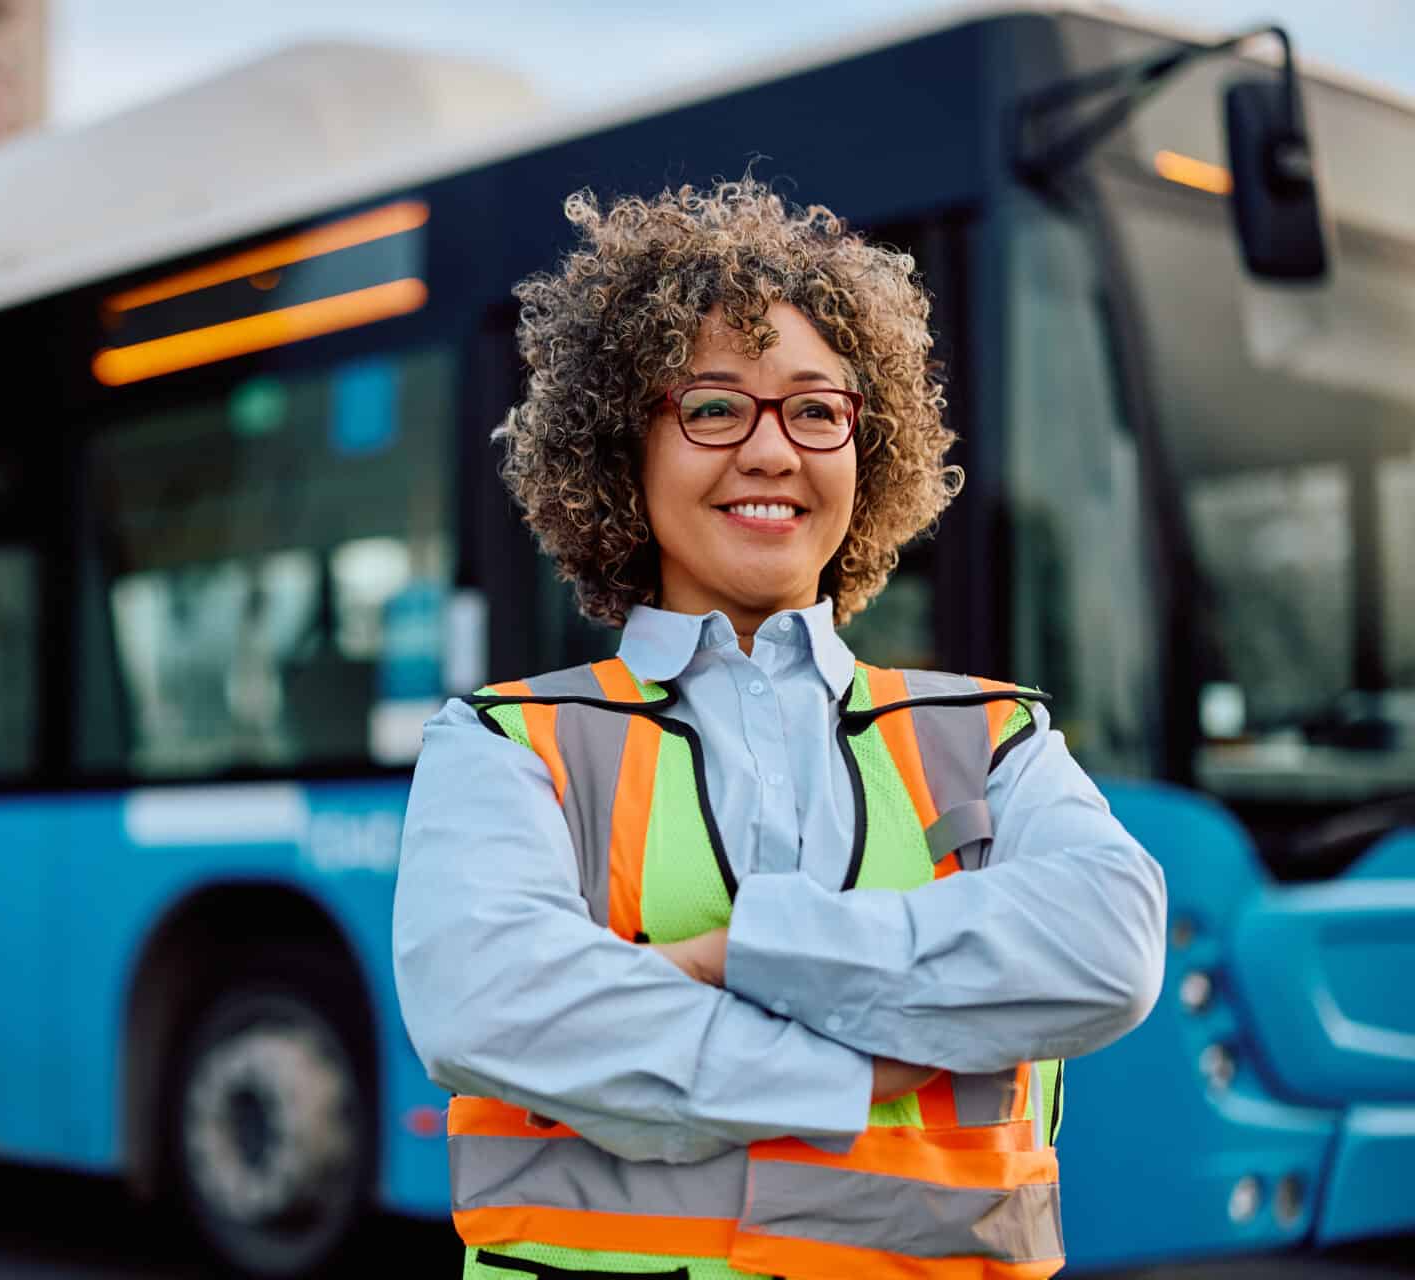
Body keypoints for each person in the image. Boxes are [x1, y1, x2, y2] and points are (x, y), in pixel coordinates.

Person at [392, 179, 1167, 1280]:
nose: (771, 452)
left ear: (866, 445)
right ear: (622, 447)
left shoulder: (997, 734)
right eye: (714, 408)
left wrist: (737, 953)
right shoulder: (503, 743)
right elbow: (487, 1007)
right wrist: (857, 1066)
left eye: (815, 410)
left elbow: (1109, 948)